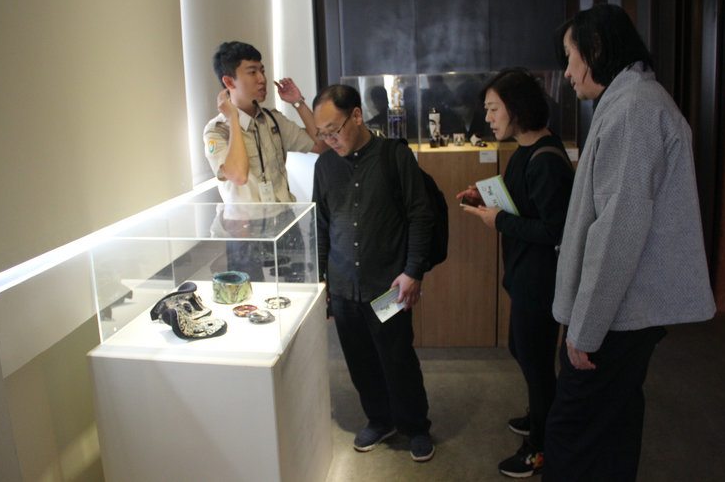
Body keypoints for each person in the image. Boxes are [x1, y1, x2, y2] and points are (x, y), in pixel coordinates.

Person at [544, 4, 716, 481]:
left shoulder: (635, 109)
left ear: (596, 49)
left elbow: (619, 228)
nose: (567, 72)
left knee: (573, 431)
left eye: (570, 56)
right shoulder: (631, 101)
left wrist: (586, 329)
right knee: (612, 424)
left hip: (617, 315)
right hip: (621, 312)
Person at [457, 68, 574, 478]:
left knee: (536, 363)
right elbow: (523, 203)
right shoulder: (525, 148)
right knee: (522, 351)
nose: (488, 118)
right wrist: (485, 199)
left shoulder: (545, 159)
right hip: (524, 275)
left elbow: (555, 229)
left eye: (494, 109)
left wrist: (498, 220)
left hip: (540, 281)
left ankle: (541, 447)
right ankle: (541, 415)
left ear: (517, 107)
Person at [312, 84, 436, 462]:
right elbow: (321, 225)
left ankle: (415, 426)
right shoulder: (324, 166)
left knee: (397, 358)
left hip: (388, 288)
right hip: (343, 287)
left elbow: (420, 214)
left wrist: (413, 271)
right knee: (360, 360)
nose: (330, 139)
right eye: (322, 133)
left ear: (357, 115)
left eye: (334, 129)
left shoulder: (394, 156)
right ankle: (380, 420)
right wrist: (321, 282)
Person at [203, 41, 326, 203]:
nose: (262, 79)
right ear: (229, 82)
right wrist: (233, 119)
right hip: (247, 219)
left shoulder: (273, 119)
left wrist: (298, 103)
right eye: (252, 72)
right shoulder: (217, 130)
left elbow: (320, 145)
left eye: (262, 71)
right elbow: (239, 176)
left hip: (285, 215)